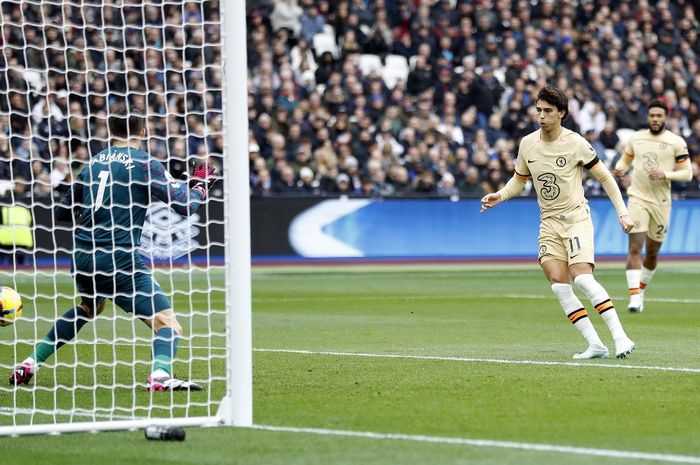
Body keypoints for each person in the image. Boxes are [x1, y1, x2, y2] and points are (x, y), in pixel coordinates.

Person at [9, 106, 216, 391]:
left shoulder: (92, 163)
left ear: (111, 132)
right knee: (169, 324)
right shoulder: (145, 163)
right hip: (119, 258)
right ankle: (160, 376)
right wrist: (199, 187)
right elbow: (184, 205)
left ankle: (30, 363)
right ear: (143, 131)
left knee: (89, 307)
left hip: (82, 256)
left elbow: (63, 212)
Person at [481, 86, 636, 360]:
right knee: (558, 282)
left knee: (583, 279)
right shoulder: (528, 144)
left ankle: (621, 337)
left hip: (575, 217)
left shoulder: (575, 142)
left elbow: (605, 178)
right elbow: (520, 179)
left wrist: (622, 212)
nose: (541, 116)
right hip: (548, 222)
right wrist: (500, 195)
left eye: (548, 111)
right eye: (539, 110)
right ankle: (596, 345)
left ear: (561, 113)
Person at [613, 100, 692, 312]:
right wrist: (620, 169)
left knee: (653, 253)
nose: (655, 119)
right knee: (635, 248)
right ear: (647, 117)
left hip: (662, 203)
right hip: (637, 197)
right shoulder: (636, 138)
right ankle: (634, 297)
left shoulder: (676, 142)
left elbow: (688, 173)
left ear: (666, 118)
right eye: (652, 115)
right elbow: (625, 161)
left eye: (659, 116)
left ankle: (642, 289)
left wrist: (665, 174)